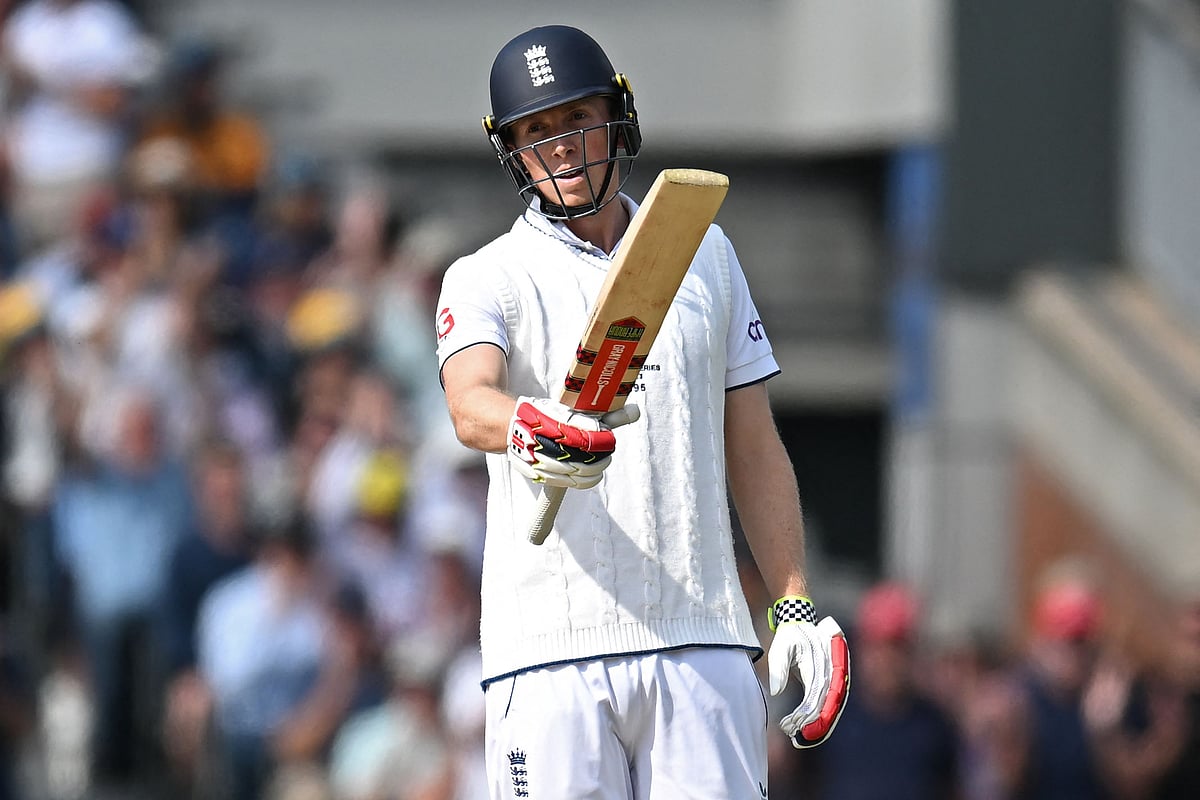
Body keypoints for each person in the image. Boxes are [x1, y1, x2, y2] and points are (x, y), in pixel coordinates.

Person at [435, 25, 849, 799]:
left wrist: (792, 602)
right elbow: (469, 403)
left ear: (616, 116)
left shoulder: (709, 256)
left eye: (573, 119)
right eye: (534, 133)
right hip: (548, 649)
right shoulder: (485, 275)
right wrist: (531, 428)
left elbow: (753, 445)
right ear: (511, 152)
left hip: (702, 640)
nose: (558, 146)